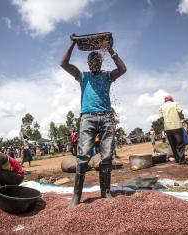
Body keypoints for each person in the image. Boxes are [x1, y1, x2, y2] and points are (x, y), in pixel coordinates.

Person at [60, 33, 127, 207]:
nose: (95, 63)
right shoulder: (83, 76)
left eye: (98, 61)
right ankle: (77, 195)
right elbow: (63, 64)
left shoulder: (107, 76)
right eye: (92, 61)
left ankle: (105, 192)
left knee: (106, 157)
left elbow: (122, 69)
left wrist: (109, 49)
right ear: (89, 64)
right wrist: (73, 44)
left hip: (106, 117)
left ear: (101, 62)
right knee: (82, 156)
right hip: (87, 118)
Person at [159, 96, 185, 164]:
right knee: (180, 143)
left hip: (168, 127)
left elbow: (161, 117)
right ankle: (181, 160)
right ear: (171, 99)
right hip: (177, 126)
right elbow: (180, 112)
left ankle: (177, 159)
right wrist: (181, 118)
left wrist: (165, 122)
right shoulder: (175, 104)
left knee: (173, 144)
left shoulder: (162, 107)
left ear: (165, 100)